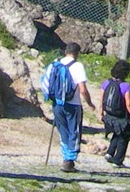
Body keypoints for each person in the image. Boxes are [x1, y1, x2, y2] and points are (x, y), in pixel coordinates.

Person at [40, 40, 95, 172]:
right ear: (77, 53)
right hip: (73, 105)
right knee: (74, 131)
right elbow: (83, 90)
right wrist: (90, 103)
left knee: (63, 131)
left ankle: (66, 157)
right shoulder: (78, 66)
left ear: (65, 51)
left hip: (57, 103)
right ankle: (69, 161)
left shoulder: (56, 64)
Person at [100, 59, 130, 167]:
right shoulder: (125, 86)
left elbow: (101, 100)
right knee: (125, 135)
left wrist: (101, 113)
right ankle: (118, 160)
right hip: (120, 116)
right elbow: (129, 104)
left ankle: (110, 152)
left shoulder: (106, 83)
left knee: (117, 132)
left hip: (109, 115)